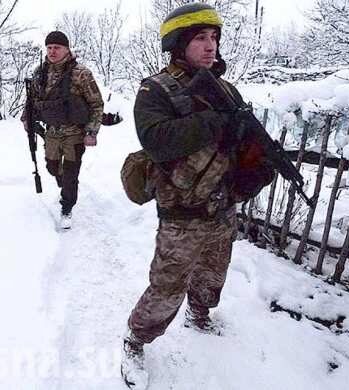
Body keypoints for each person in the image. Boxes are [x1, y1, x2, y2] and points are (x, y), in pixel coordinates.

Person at [121, 3, 275, 389]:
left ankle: (201, 315)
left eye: (214, 37)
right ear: (178, 44)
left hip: (222, 206)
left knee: (213, 274)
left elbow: (239, 144)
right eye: (200, 38)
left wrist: (257, 163)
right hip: (182, 210)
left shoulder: (226, 88)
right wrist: (215, 122)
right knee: (168, 285)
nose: (211, 46)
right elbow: (157, 141)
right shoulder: (154, 89)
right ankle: (136, 340)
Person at [21, 31, 104, 229]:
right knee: (51, 167)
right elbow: (32, 100)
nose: (52, 51)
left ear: (67, 49)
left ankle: (66, 207)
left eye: (57, 47)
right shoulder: (39, 72)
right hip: (51, 132)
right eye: (49, 47)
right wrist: (26, 118)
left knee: (70, 173)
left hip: (74, 133)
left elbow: (96, 104)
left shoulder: (81, 73)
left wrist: (91, 132)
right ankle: (64, 186)